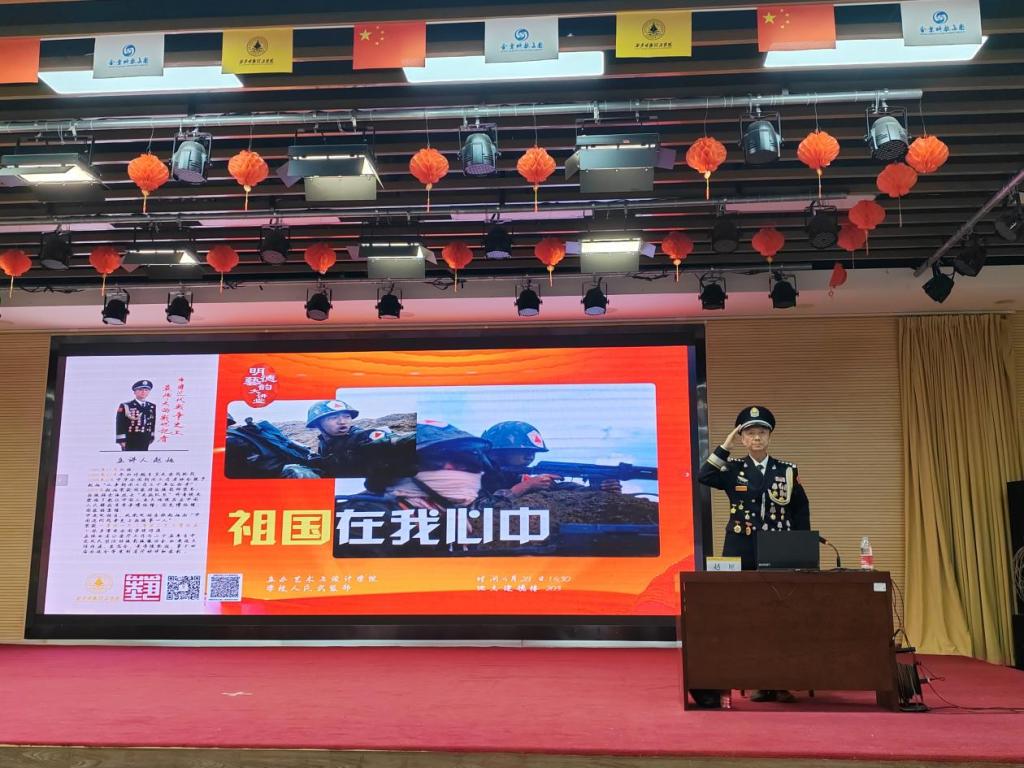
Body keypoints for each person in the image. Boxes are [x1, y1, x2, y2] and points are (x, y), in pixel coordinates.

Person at [694, 405, 811, 706]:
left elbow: (800, 511)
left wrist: (802, 551)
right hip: (741, 547)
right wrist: (726, 444)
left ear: (769, 437)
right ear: (742, 439)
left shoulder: (786, 470)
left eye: (761, 433)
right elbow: (704, 475)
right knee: (745, 615)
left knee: (779, 615)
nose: (756, 438)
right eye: (750, 434)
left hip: (778, 548)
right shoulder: (732, 469)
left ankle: (780, 681)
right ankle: (756, 679)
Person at [336, 421, 513, 555]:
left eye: (466, 461)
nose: (458, 469)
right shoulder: (367, 516)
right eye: (437, 459)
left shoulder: (449, 514)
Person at [480, 420, 621, 497]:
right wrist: (524, 487)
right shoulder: (476, 477)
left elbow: (561, 489)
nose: (530, 456)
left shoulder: (516, 476)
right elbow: (480, 508)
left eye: (533, 451)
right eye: (523, 450)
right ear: (499, 452)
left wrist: (596, 490)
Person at [305, 399, 414, 485]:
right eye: (333, 418)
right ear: (318, 424)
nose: (342, 422)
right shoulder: (323, 444)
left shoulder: (363, 437)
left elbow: (396, 440)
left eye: (347, 417)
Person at [115, 380, 156, 451]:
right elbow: (120, 423)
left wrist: (151, 436)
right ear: (135, 392)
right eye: (140, 390)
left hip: (145, 437)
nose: (143, 392)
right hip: (130, 437)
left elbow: (152, 422)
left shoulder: (151, 406)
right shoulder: (126, 405)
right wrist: (121, 439)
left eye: (146, 390)